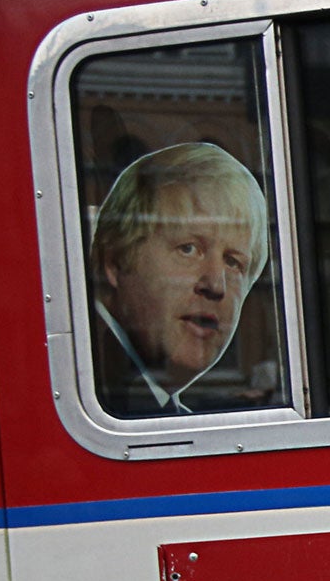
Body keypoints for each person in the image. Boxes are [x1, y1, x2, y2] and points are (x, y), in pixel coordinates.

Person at [87, 141, 270, 416]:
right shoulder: (103, 400)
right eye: (189, 249)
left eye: (233, 262)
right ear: (115, 261)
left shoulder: (152, 409)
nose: (215, 285)